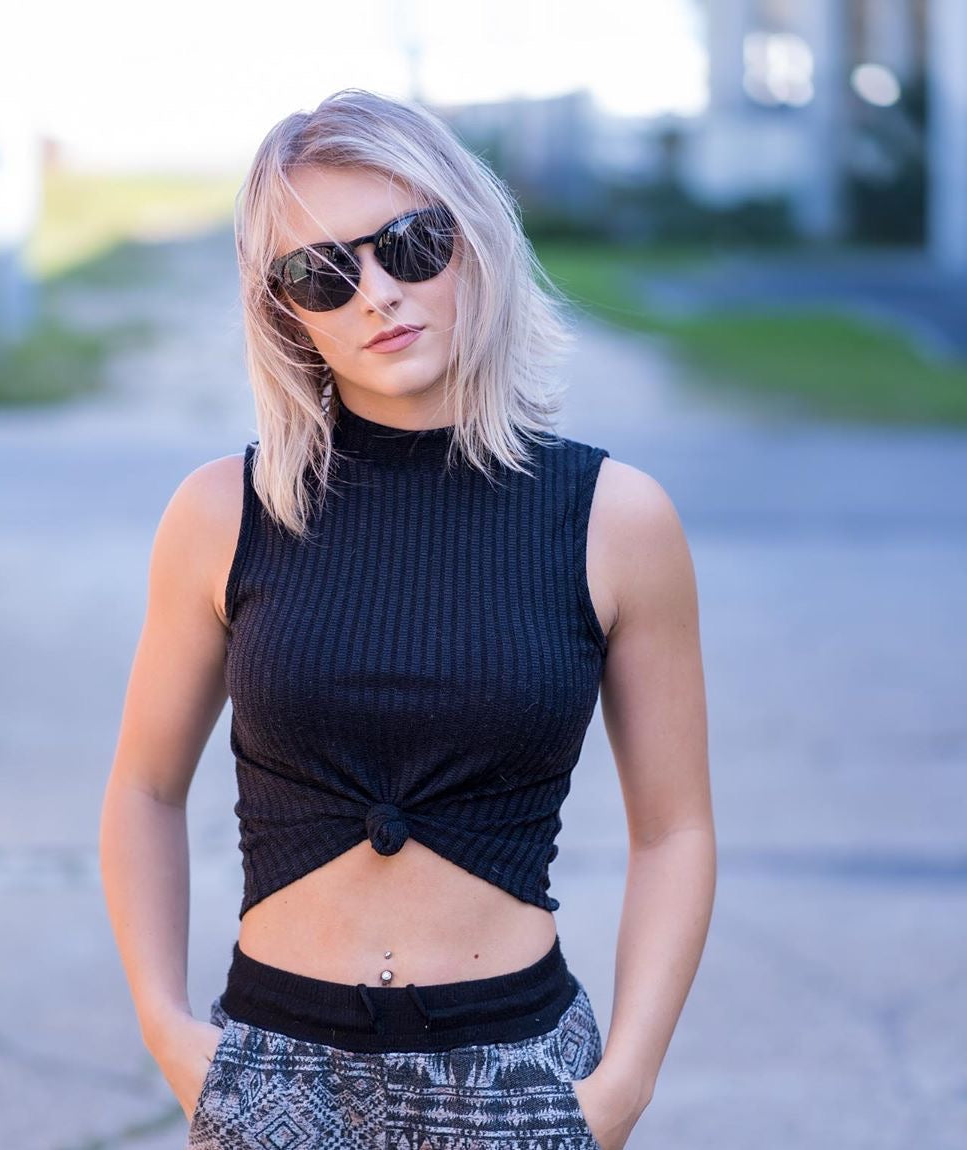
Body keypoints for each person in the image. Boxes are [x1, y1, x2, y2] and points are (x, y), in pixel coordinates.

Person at [99, 88, 716, 1150]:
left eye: (412, 245)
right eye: (323, 274)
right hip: (271, 1072)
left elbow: (676, 829)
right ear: (282, 310)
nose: (377, 293)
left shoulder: (616, 520)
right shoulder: (222, 513)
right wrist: (171, 1031)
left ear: (474, 240)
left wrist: (622, 1087)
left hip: (518, 1074)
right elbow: (144, 789)